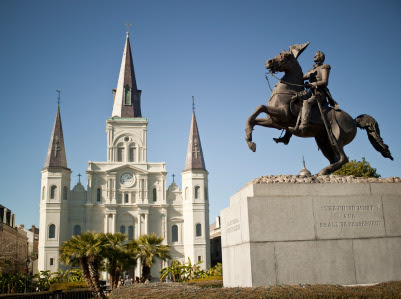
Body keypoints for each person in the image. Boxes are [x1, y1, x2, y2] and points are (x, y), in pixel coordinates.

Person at [289, 51, 338, 134]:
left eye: (317, 55)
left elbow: (325, 82)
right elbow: (300, 78)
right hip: (309, 93)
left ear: (321, 57)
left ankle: (304, 125)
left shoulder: (324, 67)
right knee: (294, 100)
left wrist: (312, 84)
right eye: (314, 55)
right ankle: (287, 135)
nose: (315, 56)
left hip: (319, 93)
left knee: (307, 103)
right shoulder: (311, 70)